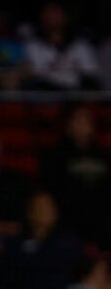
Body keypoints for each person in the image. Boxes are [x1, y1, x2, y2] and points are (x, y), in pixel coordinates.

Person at [0, 191, 85, 289]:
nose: (42, 211)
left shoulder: (68, 243)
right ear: (29, 211)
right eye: (37, 207)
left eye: (46, 207)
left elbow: (68, 279)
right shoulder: (15, 242)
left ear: (55, 211)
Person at [40, 104, 111, 249]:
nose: (82, 125)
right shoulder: (55, 155)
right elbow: (52, 189)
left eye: (86, 119)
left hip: (101, 218)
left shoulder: (103, 155)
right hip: (69, 220)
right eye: (78, 119)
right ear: (68, 124)